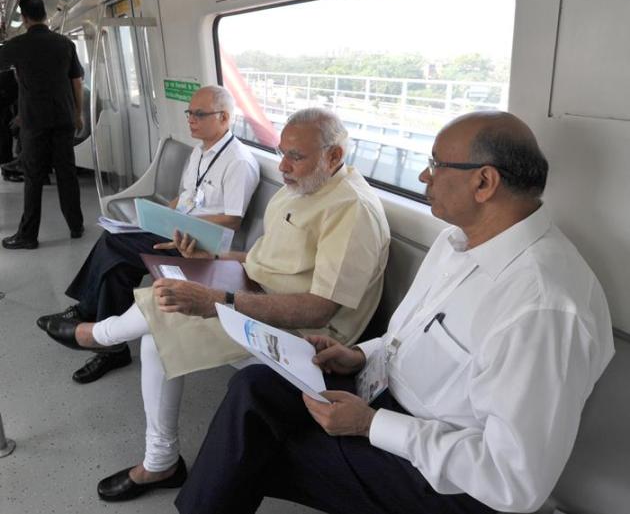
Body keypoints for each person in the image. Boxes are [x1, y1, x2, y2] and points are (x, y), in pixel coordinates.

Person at [174, 111, 615, 514]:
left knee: (258, 445)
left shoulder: (543, 307)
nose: (424, 175)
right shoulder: (455, 243)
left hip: (447, 478)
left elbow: (513, 480)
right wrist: (362, 356)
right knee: (254, 387)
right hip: (385, 396)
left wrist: (371, 425)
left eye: (437, 164)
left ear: (484, 183)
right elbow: (415, 335)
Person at [44, 106, 391, 502]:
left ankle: (101, 337)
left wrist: (220, 299)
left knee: (165, 323)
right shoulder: (301, 188)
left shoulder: (351, 210)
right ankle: (159, 457)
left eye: (296, 156)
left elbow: (318, 311)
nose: (283, 166)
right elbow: (264, 263)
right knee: (166, 317)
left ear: (334, 156)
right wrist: (210, 259)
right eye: (281, 152)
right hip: (262, 295)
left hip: (308, 341)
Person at [38, 85, 260, 384]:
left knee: (113, 244)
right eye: (189, 113)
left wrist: (178, 222)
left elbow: (232, 219)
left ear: (223, 117)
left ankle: (89, 315)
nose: (190, 119)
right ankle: (107, 343)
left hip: (199, 245)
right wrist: (160, 215)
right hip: (177, 229)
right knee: (118, 262)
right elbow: (185, 196)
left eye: (199, 114)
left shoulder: (239, 161)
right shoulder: (200, 151)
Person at [0, 0, 84, 249]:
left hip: (35, 121)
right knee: (67, 172)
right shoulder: (65, 43)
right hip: (63, 117)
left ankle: (28, 235)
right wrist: (78, 113)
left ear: (24, 18)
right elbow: (76, 82)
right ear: (45, 14)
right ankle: (76, 225)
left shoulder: (17, 46)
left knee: (34, 176)